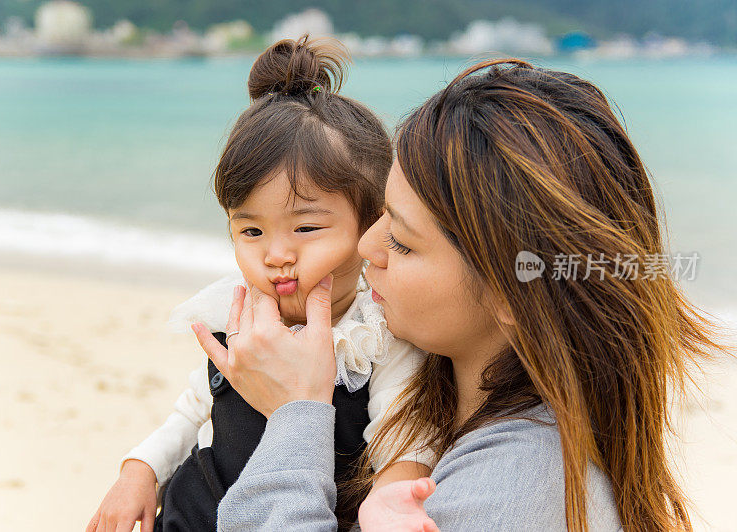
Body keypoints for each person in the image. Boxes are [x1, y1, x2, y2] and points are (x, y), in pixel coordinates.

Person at [193, 58, 731, 531]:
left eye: (401, 241)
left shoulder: (516, 486)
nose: (366, 244)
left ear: (513, 294)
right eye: (382, 214)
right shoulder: (433, 400)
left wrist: (295, 415)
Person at [87, 36, 437, 532]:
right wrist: (139, 470)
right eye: (251, 230)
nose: (276, 255)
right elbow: (193, 411)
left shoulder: (376, 336)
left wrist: (394, 499)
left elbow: (404, 433)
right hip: (194, 512)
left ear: (372, 224)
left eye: (307, 228)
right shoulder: (236, 310)